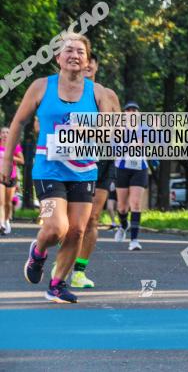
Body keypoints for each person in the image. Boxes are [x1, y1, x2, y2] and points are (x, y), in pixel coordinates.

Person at [1, 33, 116, 303]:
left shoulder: (98, 93)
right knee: (56, 228)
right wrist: (6, 160)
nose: (74, 55)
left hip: (84, 169)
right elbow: (18, 123)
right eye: (68, 51)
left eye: (80, 51)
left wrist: (87, 130)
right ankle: (38, 252)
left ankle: (56, 285)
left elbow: (111, 133)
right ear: (58, 58)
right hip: (49, 168)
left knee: (77, 230)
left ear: (87, 60)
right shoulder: (41, 86)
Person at [69, 53, 120, 287]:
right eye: (84, 60)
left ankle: (79, 271)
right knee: (72, 221)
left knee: (93, 218)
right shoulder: (65, 94)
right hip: (73, 160)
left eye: (91, 61)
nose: (87, 64)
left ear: (97, 66)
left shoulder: (108, 94)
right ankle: (62, 263)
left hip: (103, 160)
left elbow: (118, 129)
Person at [113, 101, 147, 250]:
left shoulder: (144, 128)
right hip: (122, 167)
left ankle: (134, 240)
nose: (132, 112)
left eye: (135, 110)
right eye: (128, 110)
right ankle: (123, 225)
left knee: (135, 204)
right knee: (122, 207)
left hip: (139, 167)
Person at [0, 126, 25, 234]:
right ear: (0, 135)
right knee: (0, 201)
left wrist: (9, 156)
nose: (5, 134)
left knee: (8, 203)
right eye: (3, 132)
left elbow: (22, 161)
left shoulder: (14, 146)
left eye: (7, 132)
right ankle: (1, 223)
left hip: (11, 177)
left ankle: (6, 220)